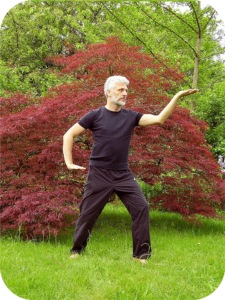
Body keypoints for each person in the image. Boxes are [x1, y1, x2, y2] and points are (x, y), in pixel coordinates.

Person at [63, 75, 198, 264]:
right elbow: (69, 134)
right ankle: (77, 250)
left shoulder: (131, 116)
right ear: (108, 92)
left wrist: (176, 96)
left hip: (123, 174)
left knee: (141, 207)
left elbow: (159, 119)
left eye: (126, 90)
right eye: (120, 89)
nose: (125, 93)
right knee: (87, 213)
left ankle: (140, 256)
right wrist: (69, 162)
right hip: (99, 173)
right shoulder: (95, 115)